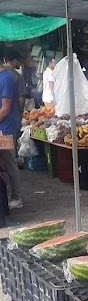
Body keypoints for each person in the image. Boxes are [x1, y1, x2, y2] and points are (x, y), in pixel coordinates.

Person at [0, 60, 23, 209]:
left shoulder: (6, 79)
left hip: (6, 128)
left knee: (9, 162)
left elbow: (6, 108)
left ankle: (16, 197)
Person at [5, 49, 26, 115]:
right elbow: (21, 98)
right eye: (20, 61)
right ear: (15, 61)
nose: (20, 63)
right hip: (12, 113)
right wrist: (20, 113)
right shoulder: (18, 77)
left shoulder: (1, 72)